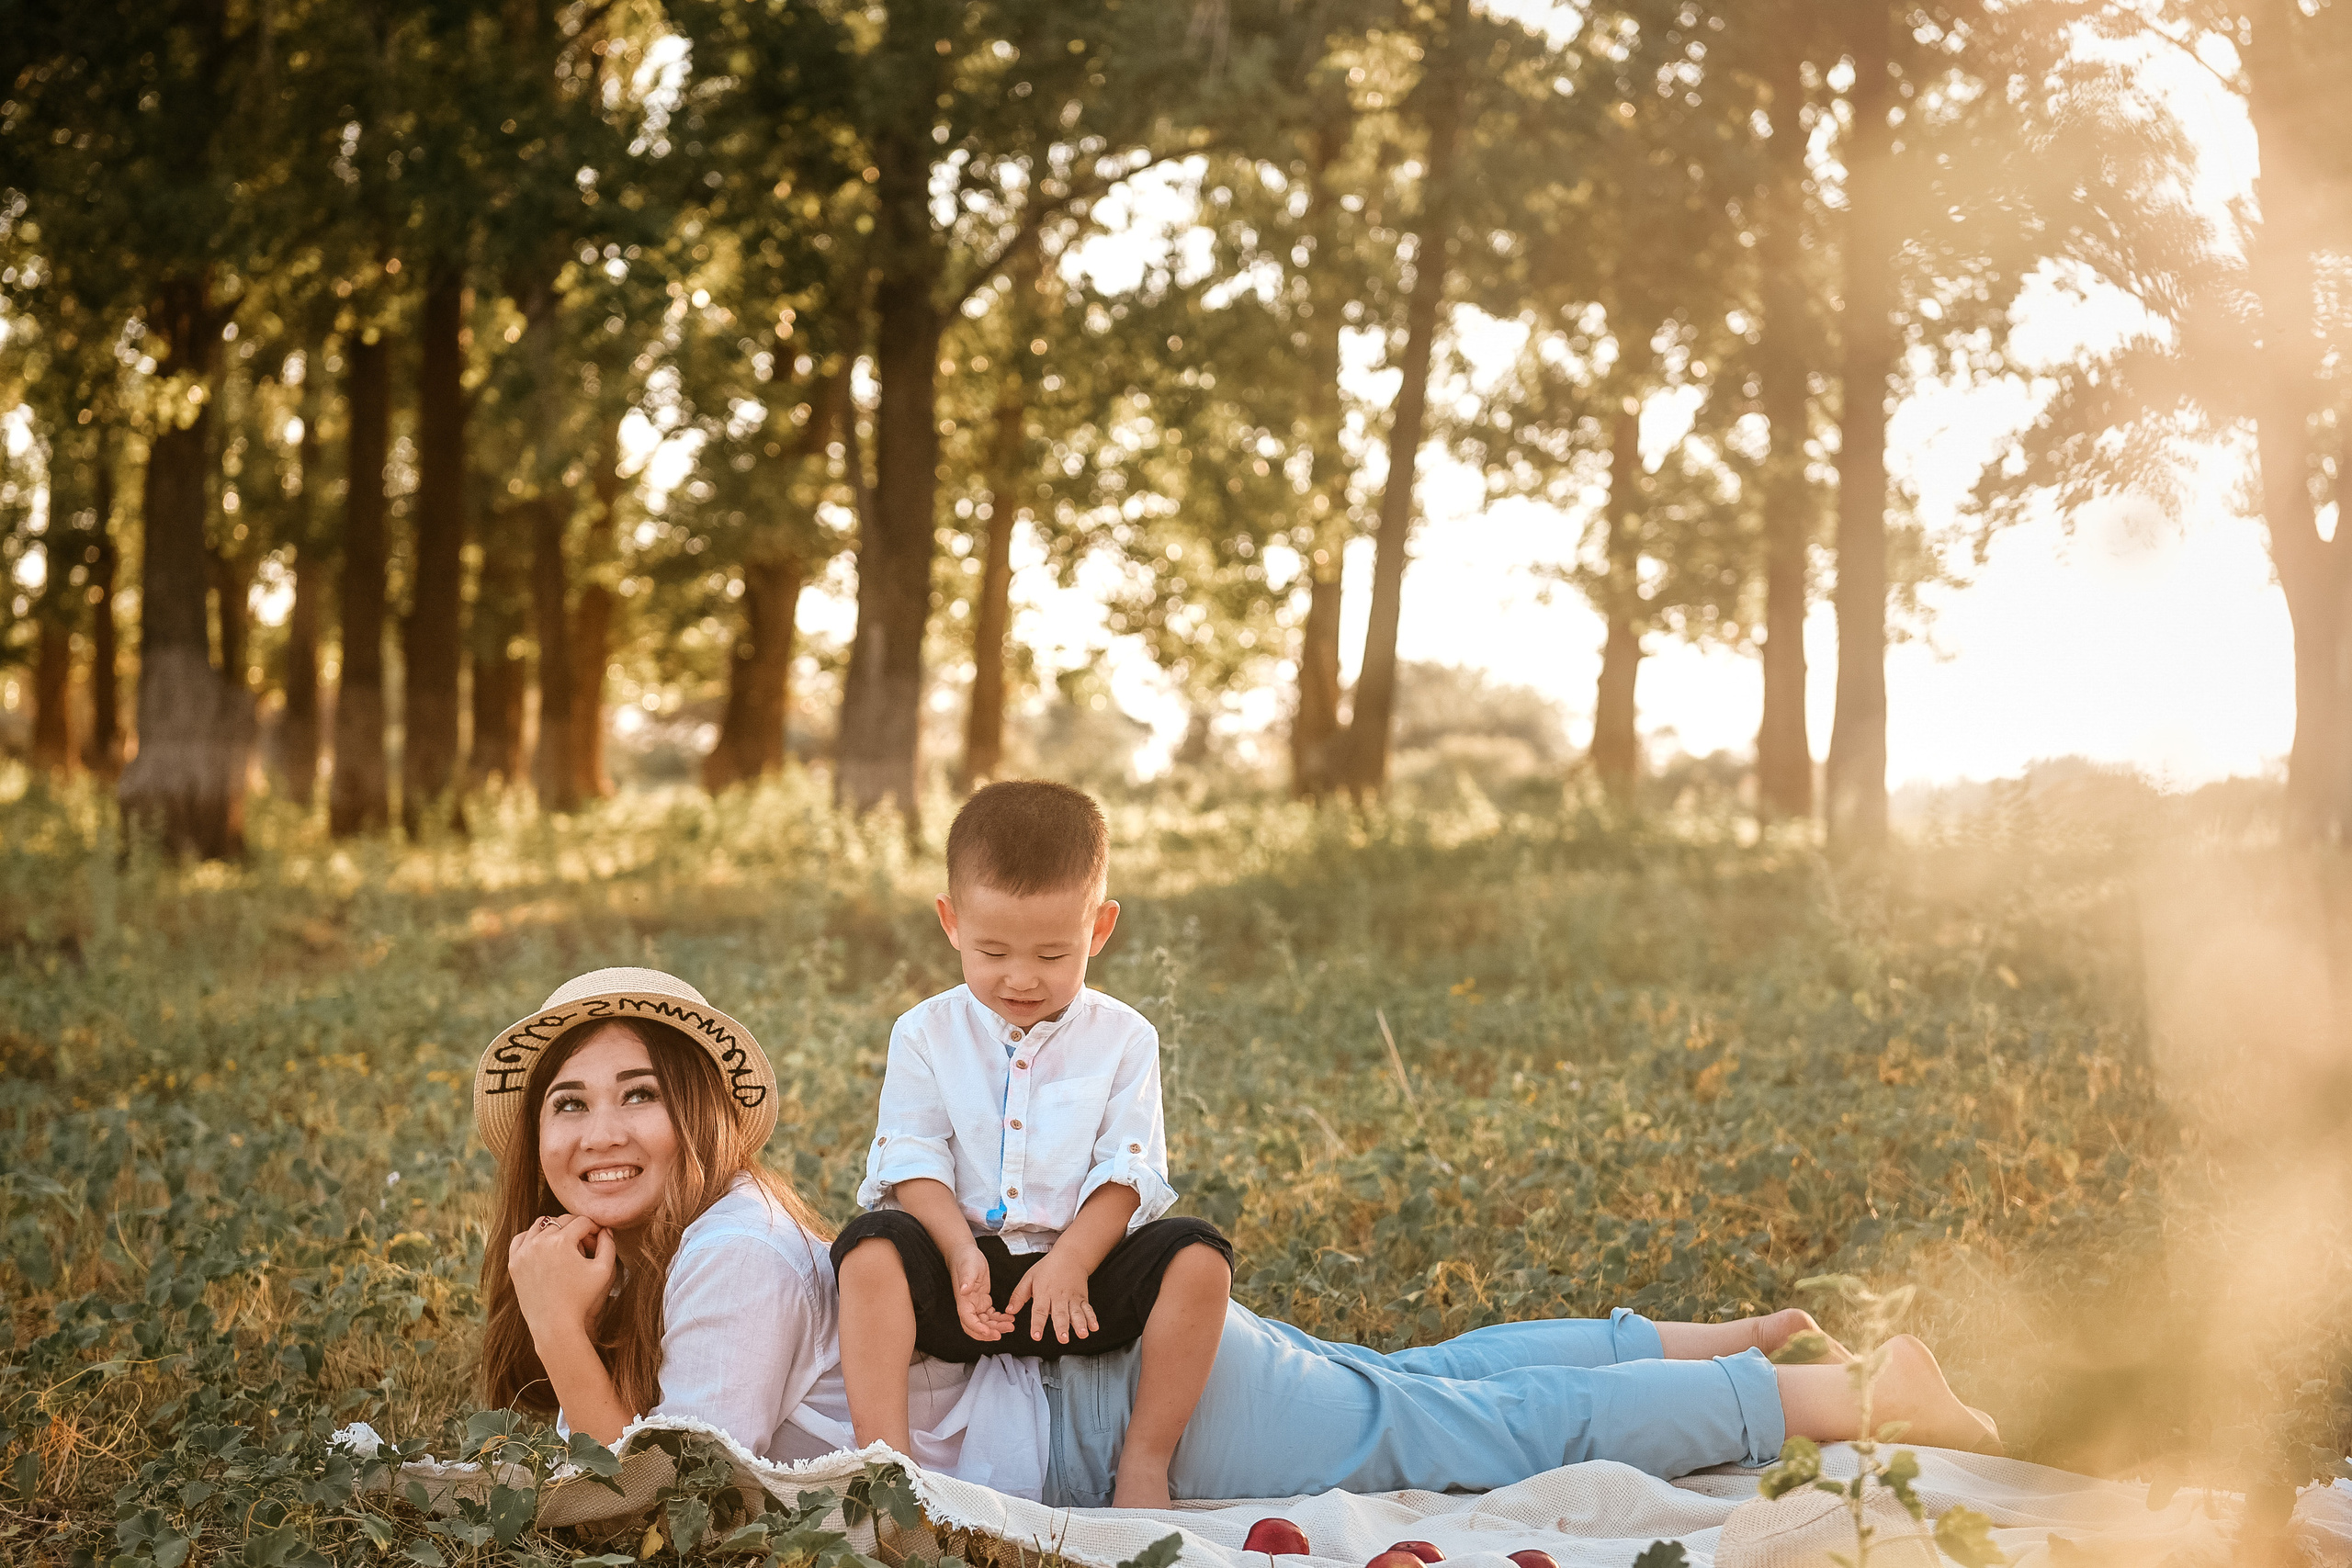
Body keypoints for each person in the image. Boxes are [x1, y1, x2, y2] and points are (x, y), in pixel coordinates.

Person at [474, 966, 2002, 1510]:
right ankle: (1711, 1342)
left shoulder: (730, 1246)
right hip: (1097, 1380)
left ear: (702, 1118)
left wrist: (558, 1332)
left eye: (636, 1096)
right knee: (1420, 1379)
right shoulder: (700, 1242)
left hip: (1096, 1417)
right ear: (530, 1141)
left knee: (1463, 1428)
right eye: (567, 1106)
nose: (598, 1132)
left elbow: (681, 1494)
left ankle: (1836, 1400)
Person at [831, 780, 1234, 1507]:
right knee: (870, 1247)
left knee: (1200, 1255)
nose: (1020, 978)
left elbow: (1126, 1169)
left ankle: (1145, 1461)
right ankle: (884, 1467)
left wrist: (1073, 1260)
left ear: (1100, 929)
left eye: (1053, 954)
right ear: (951, 922)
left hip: (1080, 1284)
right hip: (965, 1277)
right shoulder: (924, 1033)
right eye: (992, 950)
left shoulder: (1124, 1037)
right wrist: (956, 1253)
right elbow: (914, 1159)